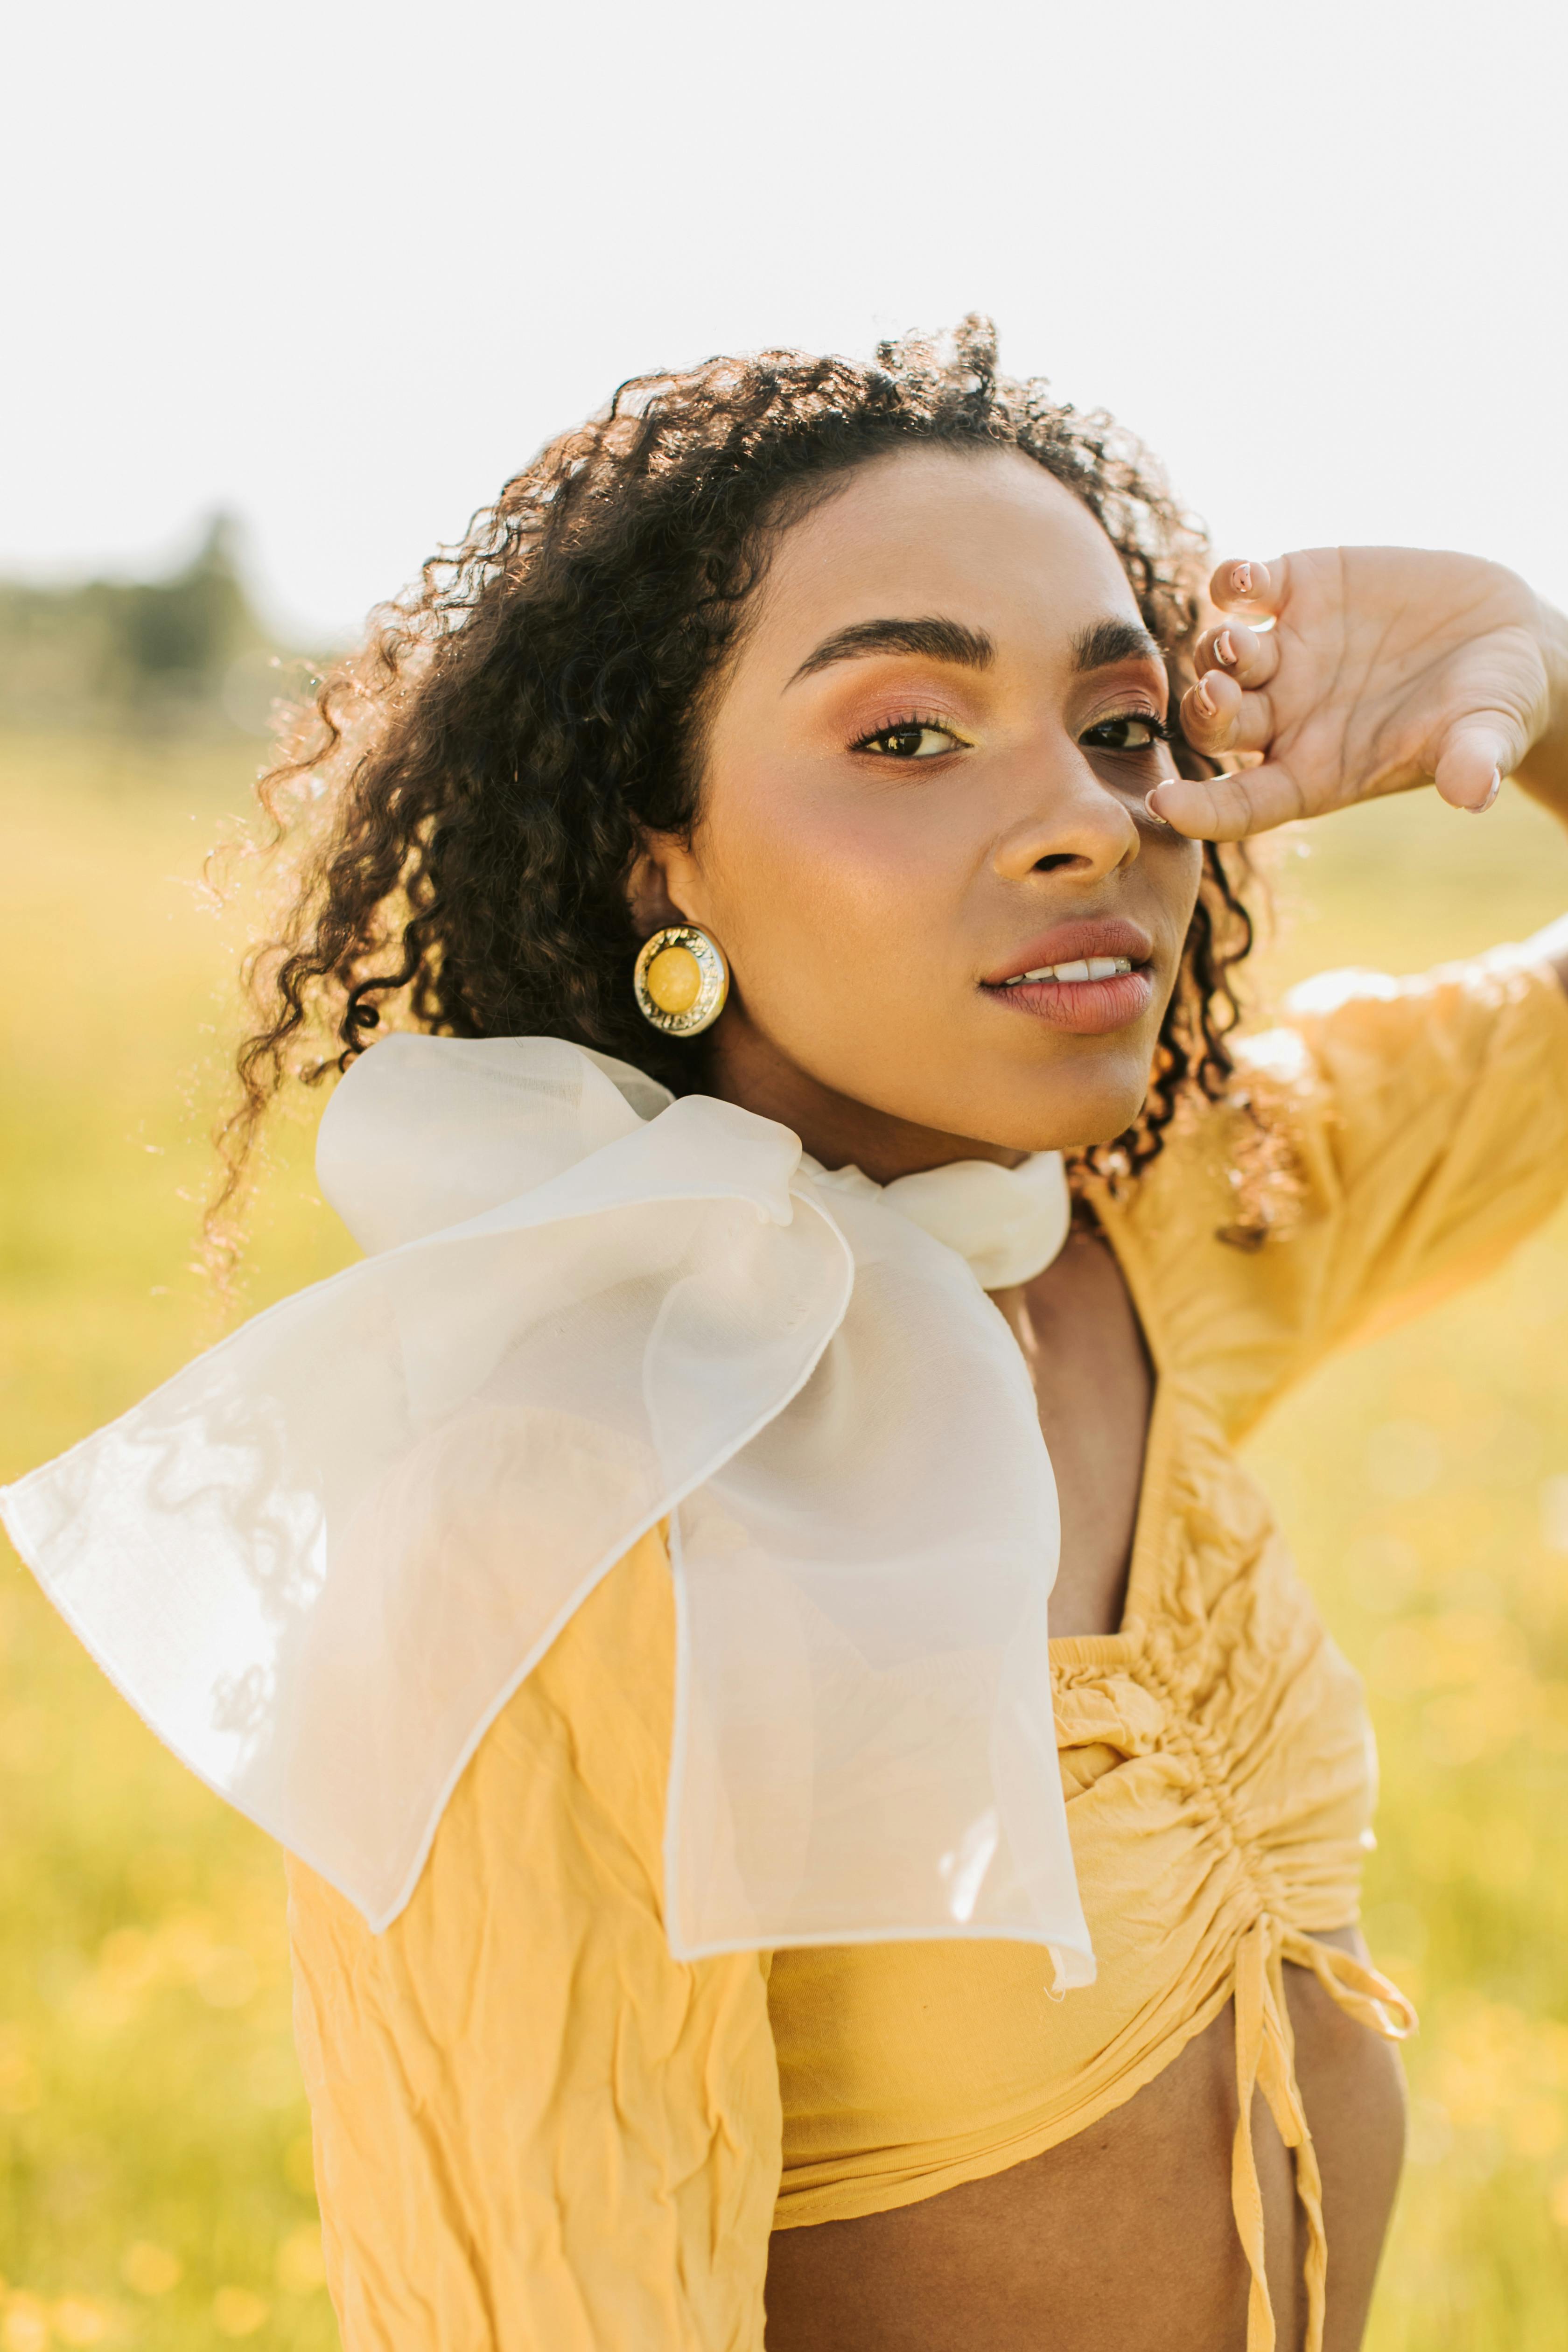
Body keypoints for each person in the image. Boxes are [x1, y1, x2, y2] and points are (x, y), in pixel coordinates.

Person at [5, 319, 1568, 2352]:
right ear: (666, 861)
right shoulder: (551, 1515)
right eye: (908, 736)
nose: (1088, 816)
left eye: (1121, 723)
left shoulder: (1186, 1221)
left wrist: (1539, 682)